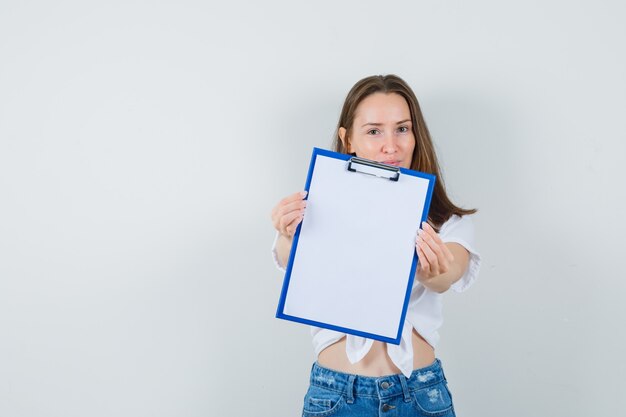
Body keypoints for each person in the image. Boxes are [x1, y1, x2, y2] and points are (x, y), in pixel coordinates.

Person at [270, 74, 481, 417]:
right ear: (347, 138)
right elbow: (286, 258)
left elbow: (448, 275)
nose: (391, 145)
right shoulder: (316, 208)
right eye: (373, 131)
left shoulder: (446, 223)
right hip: (336, 396)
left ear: (416, 136)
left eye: (402, 129)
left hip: (419, 396)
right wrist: (287, 234)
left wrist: (431, 269)